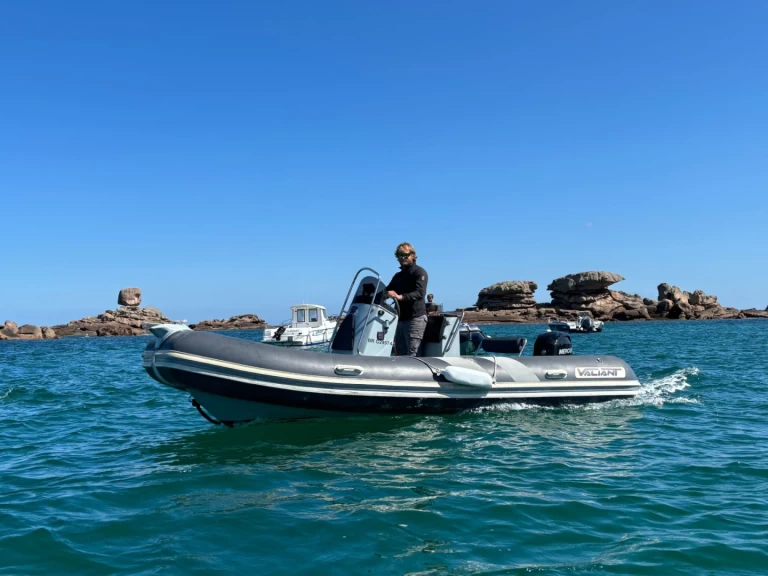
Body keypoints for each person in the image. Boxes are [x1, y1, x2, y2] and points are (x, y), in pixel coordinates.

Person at [386, 242, 428, 356]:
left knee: (413, 353)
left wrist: (400, 297)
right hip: (400, 319)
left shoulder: (419, 272)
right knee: (400, 353)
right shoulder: (398, 276)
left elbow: (420, 293)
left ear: (413, 255)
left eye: (405, 255)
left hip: (415, 318)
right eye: (399, 256)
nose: (402, 258)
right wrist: (383, 294)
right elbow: (387, 290)